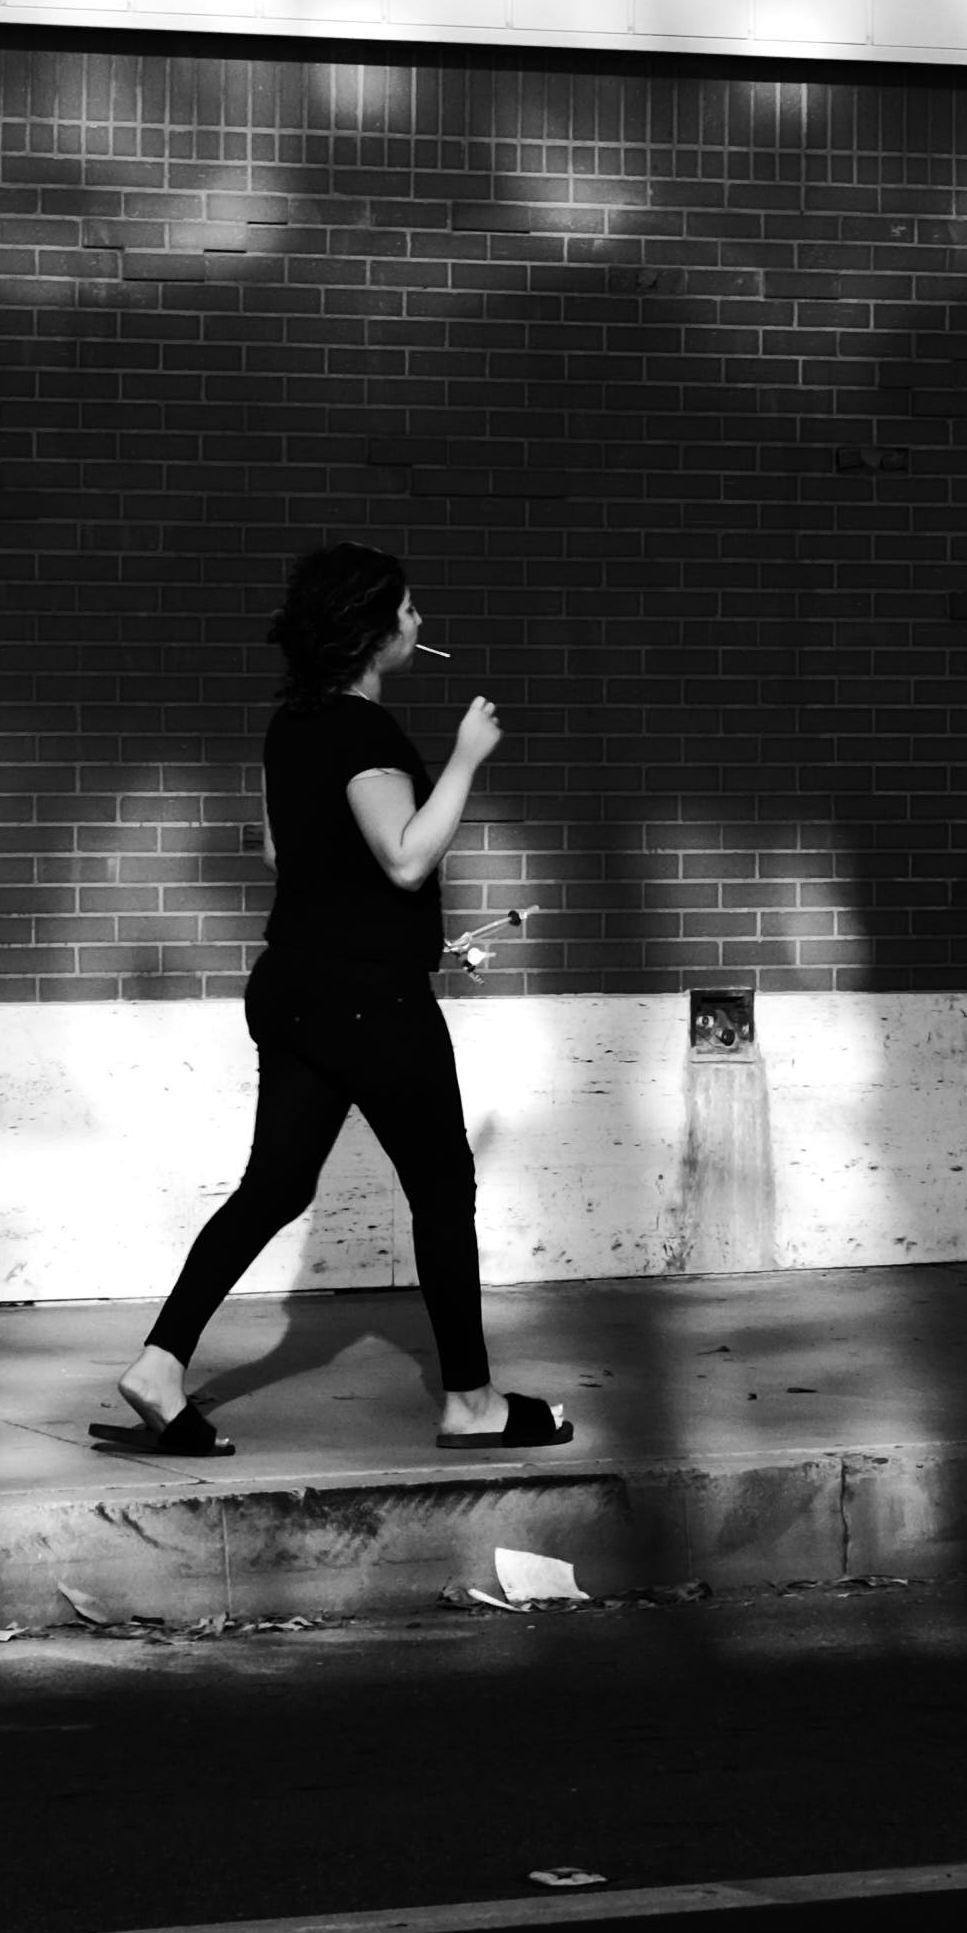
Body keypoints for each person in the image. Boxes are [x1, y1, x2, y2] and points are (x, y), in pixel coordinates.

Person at [93, 541, 572, 1460]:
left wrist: (418, 942)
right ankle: (470, 1402)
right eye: (407, 608)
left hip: (294, 986)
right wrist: (468, 759)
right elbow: (402, 856)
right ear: (372, 628)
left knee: (275, 1184)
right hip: (367, 1003)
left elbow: (294, 863)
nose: (418, 621)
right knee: (442, 1187)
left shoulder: (290, 727)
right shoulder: (367, 735)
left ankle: (160, 1365)